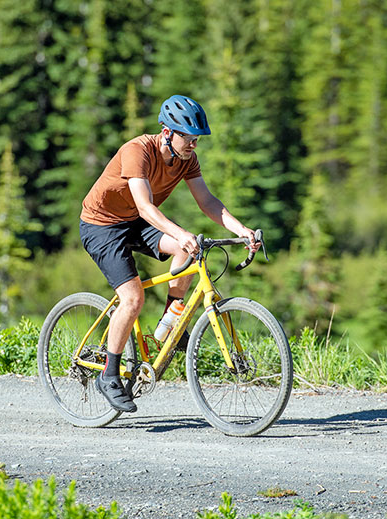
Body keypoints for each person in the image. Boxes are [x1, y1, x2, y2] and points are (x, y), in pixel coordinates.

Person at [79, 95, 260, 413]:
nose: (193, 145)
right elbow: (146, 207)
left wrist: (241, 230)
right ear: (166, 132)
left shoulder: (187, 159)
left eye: (196, 139)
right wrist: (180, 232)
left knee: (189, 251)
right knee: (133, 298)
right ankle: (108, 375)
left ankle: (170, 324)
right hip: (102, 226)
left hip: (134, 222)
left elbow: (208, 201)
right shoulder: (137, 152)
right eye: (188, 138)